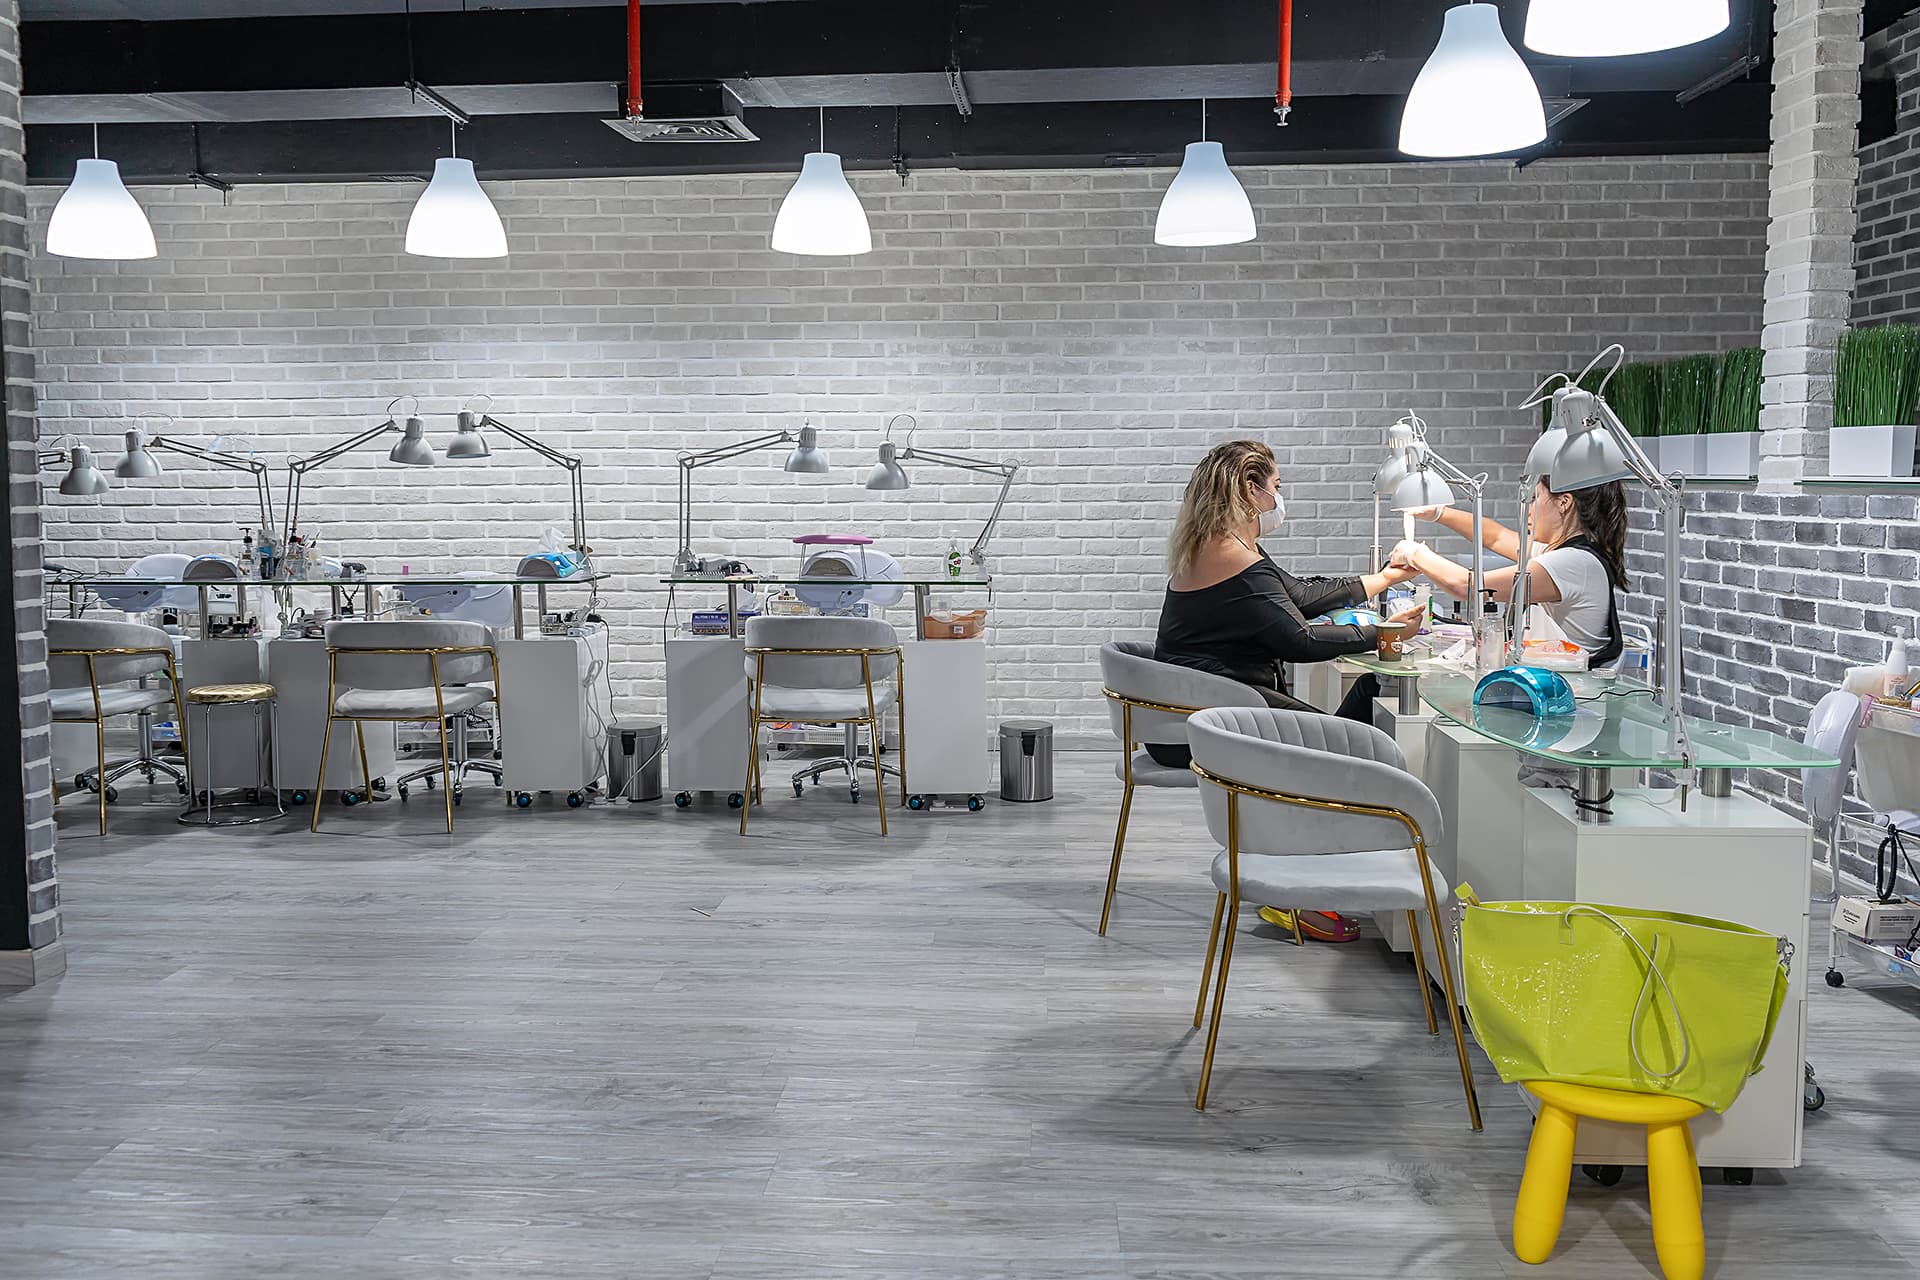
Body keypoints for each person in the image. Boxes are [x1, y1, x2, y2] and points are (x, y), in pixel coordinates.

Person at [1150, 441, 1424, 943]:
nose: (1280, 497)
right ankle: (1303, 887)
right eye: (1276, 487)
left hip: (1205, 709)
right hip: (1213, 720)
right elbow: (1298, 639)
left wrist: (1379, 581)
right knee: (1345, 734)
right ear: (1250, 491)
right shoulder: (1228, 552)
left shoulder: (1221, 543)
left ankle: (1316, 874)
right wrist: (1385, 634)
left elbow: (1297, 595)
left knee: (1352, 716)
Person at [1390, 478, 1628, 668]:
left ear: (1564, 502)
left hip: (1569, 694)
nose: (1529, 509)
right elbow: (1496, 536)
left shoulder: (1573, 562)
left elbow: (1466, 586)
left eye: (1535, 498)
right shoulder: (1564, 553)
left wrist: (1414, 553)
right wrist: (1437, 513)